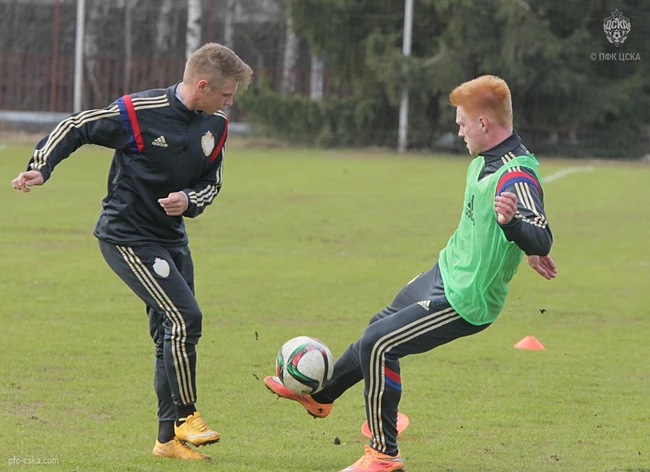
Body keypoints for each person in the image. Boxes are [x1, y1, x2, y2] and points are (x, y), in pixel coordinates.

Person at [263, 75, 557, 472]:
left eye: (462, 123)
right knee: (378, 327)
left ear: (483, 123)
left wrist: (517, 229)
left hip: (465, 298)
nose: (458, 131)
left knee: (380, 345)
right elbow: (526, 237)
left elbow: (541, 236)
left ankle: (384, 453)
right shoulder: (483, 160)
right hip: (445, 271)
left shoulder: (515, 174)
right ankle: (322, 396)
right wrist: (522, 242)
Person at [11, 43, 253, 461]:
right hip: (126, 237)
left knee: (169, 334)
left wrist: (188, 200)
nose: (230, 102)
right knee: (185, 318)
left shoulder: (216, 125)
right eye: (226, 94)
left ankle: (166, 442)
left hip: (171, 240)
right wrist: (41, 165)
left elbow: (211, 184)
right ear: (203, 85)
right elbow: (77, 125)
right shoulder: (139, 111)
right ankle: (187, 416)